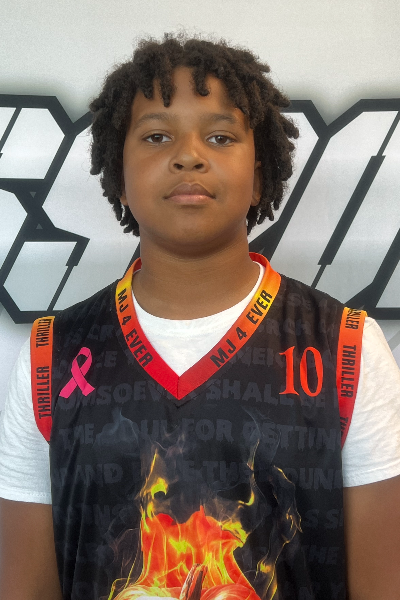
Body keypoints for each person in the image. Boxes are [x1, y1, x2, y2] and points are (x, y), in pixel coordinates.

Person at [0, 33, 400, 600]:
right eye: (157, 136)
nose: (188, 155)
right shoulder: (53, 357)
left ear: (259, 174)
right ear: (119, 175)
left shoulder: (346, 349)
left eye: (220, 136)